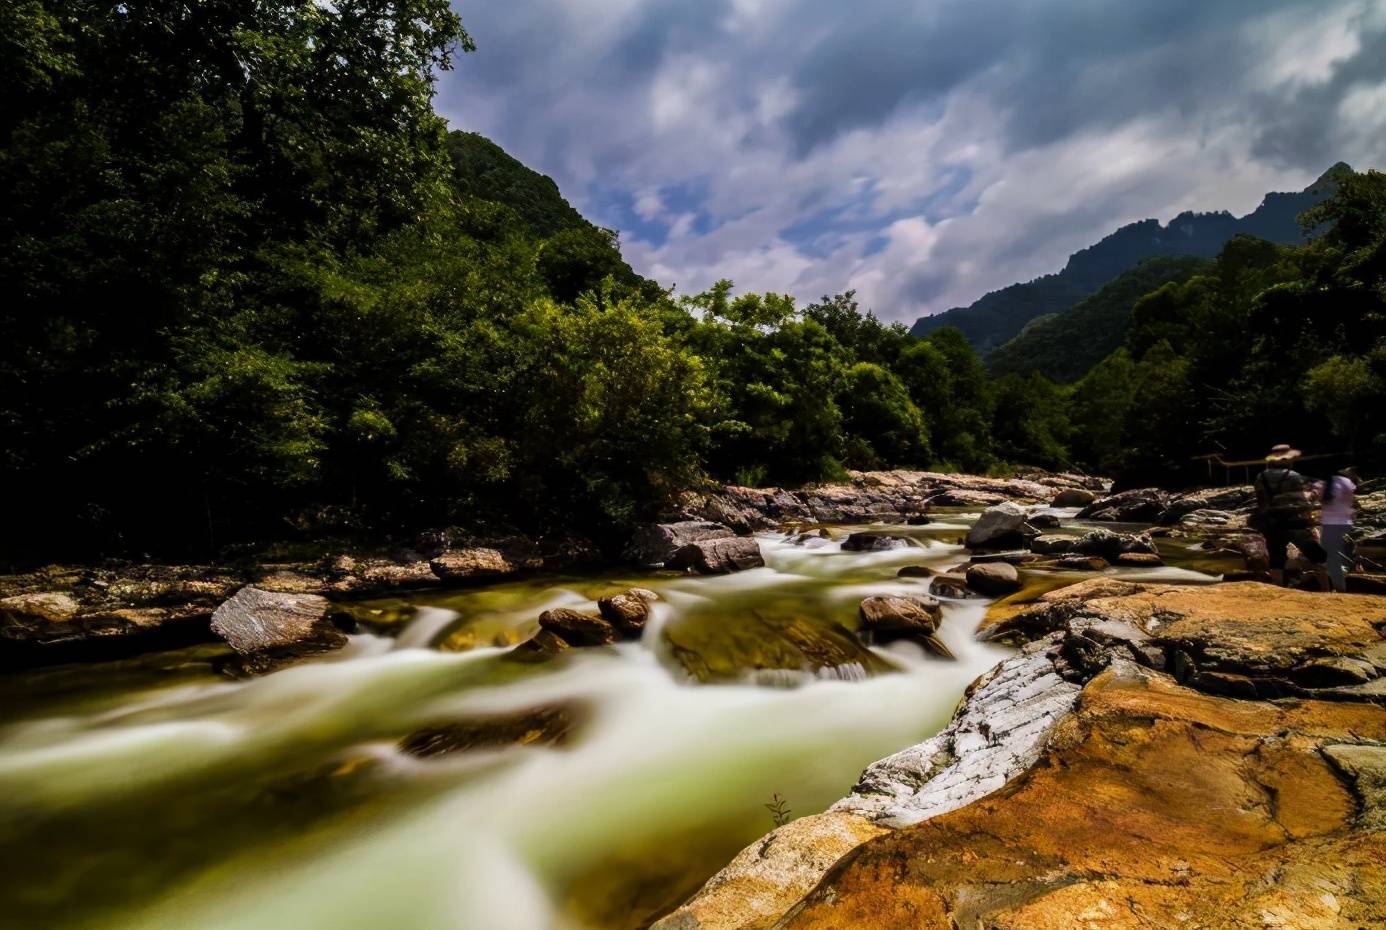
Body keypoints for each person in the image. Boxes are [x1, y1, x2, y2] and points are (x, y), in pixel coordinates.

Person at [1251, 444, 1323, 586]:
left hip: (1271, 523)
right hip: (1293, 522)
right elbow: (1300, 502)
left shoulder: (1260, 477)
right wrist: (1312, 498)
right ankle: (1326, 590)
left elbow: (1261, 502)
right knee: (1317, 555)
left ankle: (1278, 589)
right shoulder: (1293, 476)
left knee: (1276, 558)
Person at [1320, 466, 1360, 592]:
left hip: (1330, 524)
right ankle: (1340, 584)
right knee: (1338, 553)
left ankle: (1339, 587)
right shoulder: (1347, 483)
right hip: (1344, 523)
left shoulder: (1328, 483)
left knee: (1330, 556)